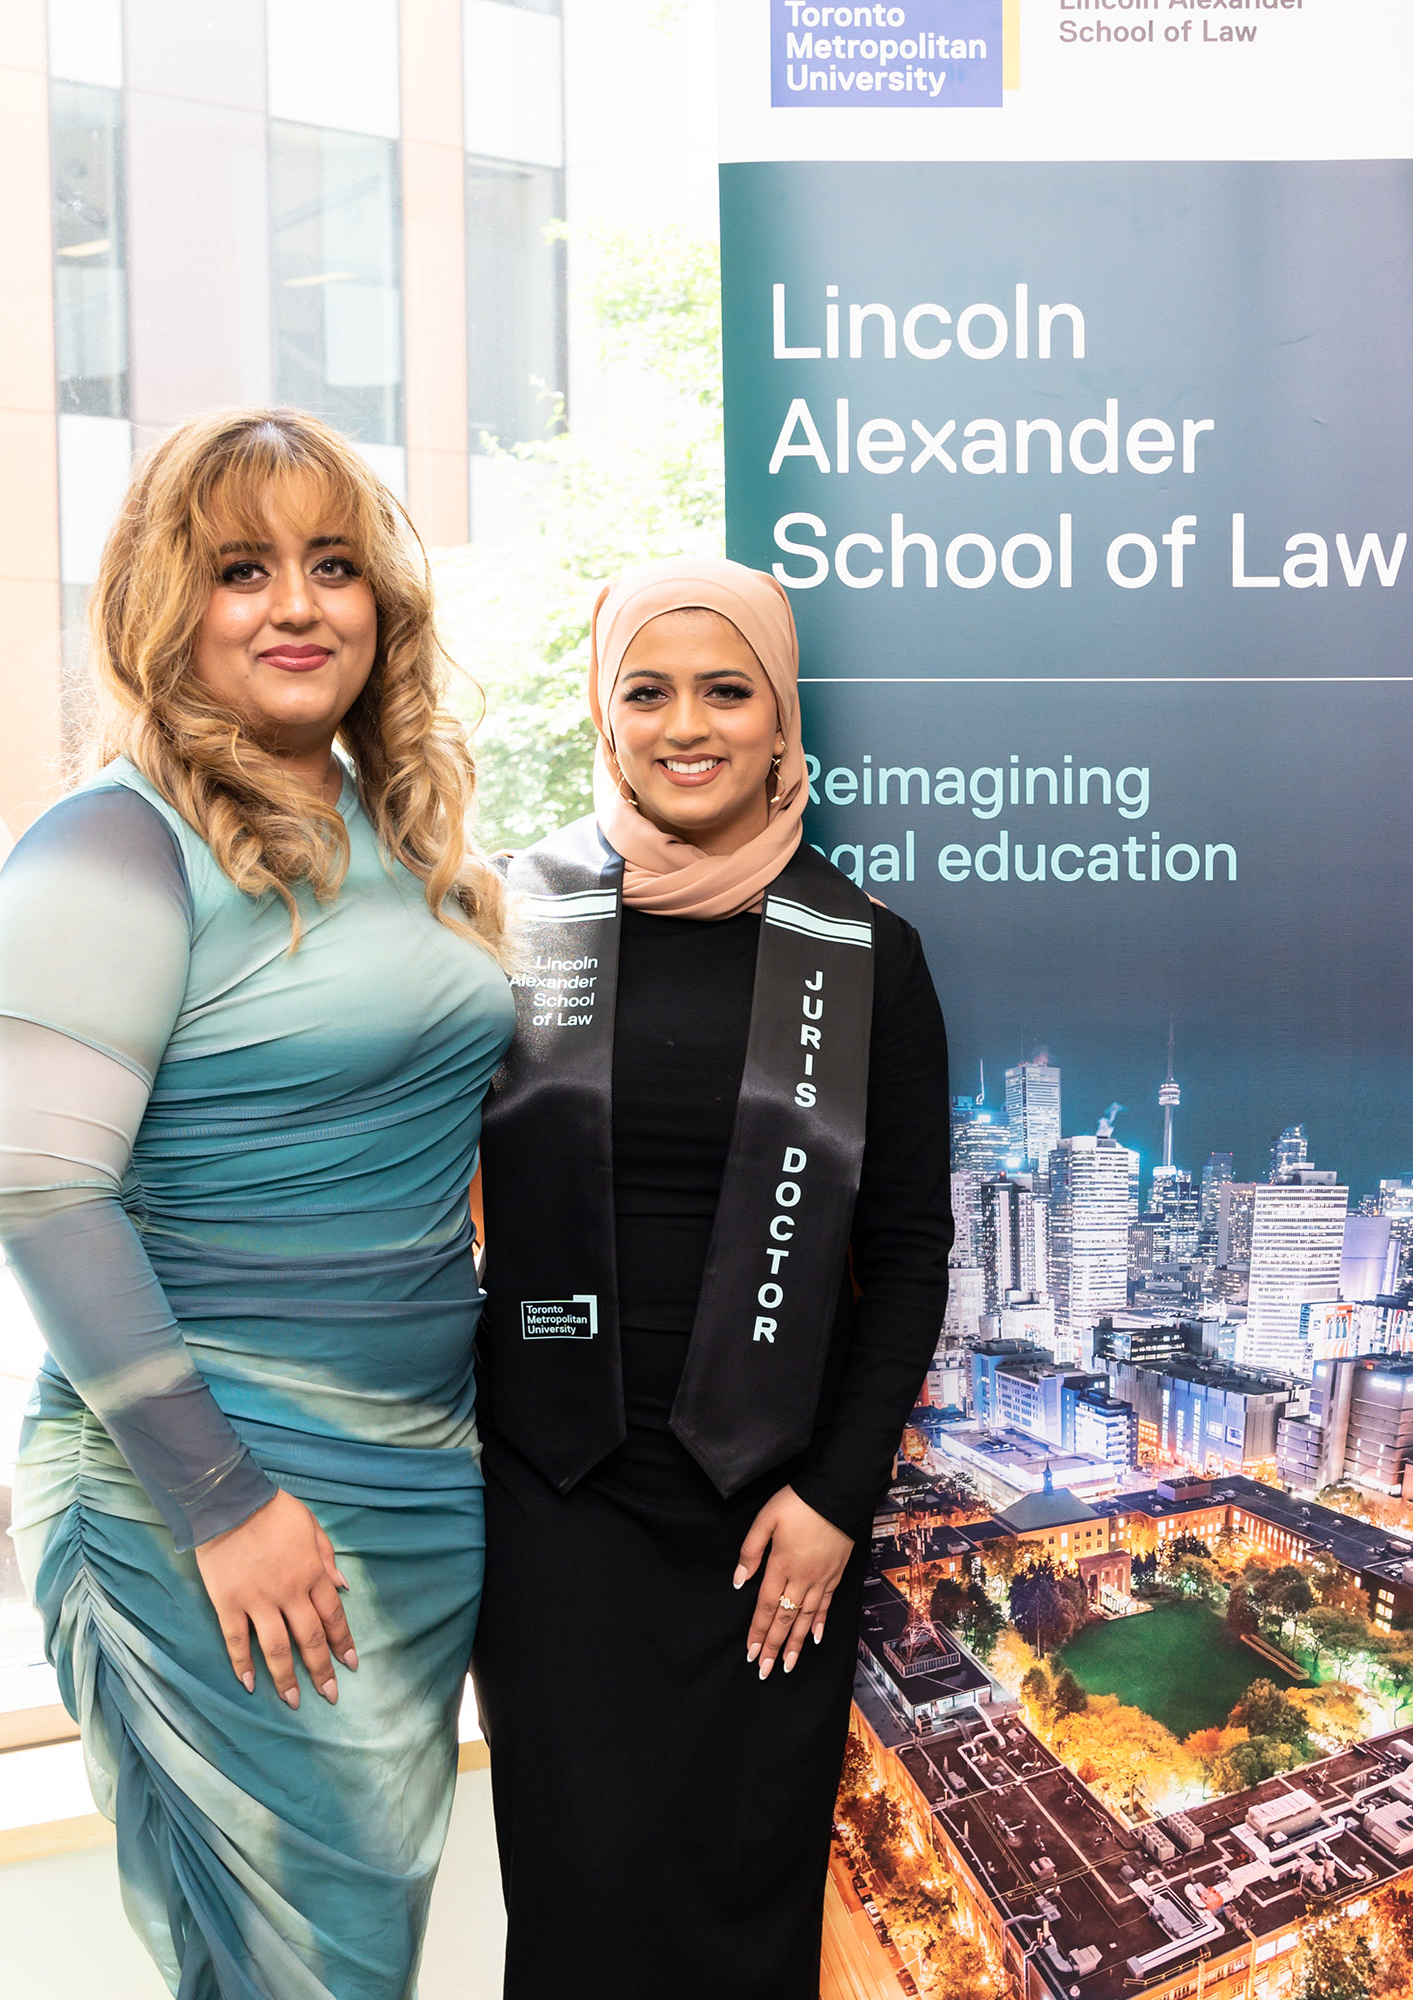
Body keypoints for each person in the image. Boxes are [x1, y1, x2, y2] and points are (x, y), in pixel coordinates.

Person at [0, 408, 513, 2000]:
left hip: (416, 1495)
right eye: (242, 569)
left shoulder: (399, 834)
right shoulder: (106, 848)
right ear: (167, 605)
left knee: (351, 1971)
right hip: (204, 1492)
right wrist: (224, 1502)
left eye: (334, 564)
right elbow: (43, 1195)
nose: (298, 605)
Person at [469, 554, 951, 1999]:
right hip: (558, 1506)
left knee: (744, 1911)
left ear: (781, 715)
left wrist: (835, 1505)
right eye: (649, 690)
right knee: (577, 1905)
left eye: (727, 689)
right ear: (601, 718)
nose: (690, 724)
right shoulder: (507, 919)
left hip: (769, 1523)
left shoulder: (864, 953)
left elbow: (912, 1257)